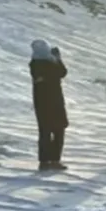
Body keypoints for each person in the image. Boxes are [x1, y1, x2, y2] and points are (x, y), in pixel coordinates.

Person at [29, 38, 68, 170]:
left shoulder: (35, 63)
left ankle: (46, 161)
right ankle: (53, 160)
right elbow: (61, 72)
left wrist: (56, 59)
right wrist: (58, 59)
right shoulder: (45, 63)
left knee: (46, 131)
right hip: (53, 101)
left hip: (43, 102)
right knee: (56, 130)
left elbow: (61, 73)